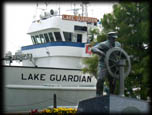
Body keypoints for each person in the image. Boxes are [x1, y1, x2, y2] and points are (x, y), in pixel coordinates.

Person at [91, 32, 121, 96]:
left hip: (112, 65)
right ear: (109, 38)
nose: (114, 40)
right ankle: (98, 95)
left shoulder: (118, 44)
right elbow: (93, 48)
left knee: (113, 82)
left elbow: (121, 53)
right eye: (113, 38)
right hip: (103, 64)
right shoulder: (104, 44)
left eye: (115, 38)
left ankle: (112, 96)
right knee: (100, 79)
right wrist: (100, 52)